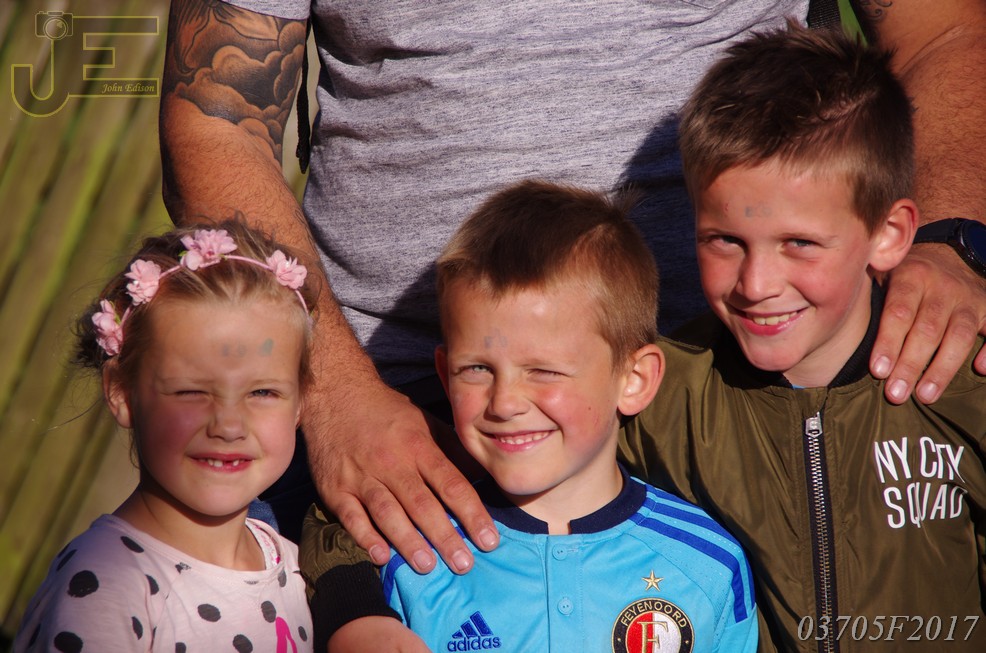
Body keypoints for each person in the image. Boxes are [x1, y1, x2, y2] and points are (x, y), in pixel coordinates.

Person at [160, 0, 986, 574]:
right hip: (403, 426)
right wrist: (332, 391)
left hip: (739, 395)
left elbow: (942, 29)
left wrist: (950, 239)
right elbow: (214, 120)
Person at [618, 23, 986, 651]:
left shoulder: (963, 387)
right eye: (724, 240)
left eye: (799, 243)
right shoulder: (657, 403)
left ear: (889, 235)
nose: (757, 284)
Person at [307, 179, 758, 653]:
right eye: (477, 369)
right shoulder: (407, 556)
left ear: (634, 379)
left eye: (543, 371)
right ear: (444, 373)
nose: (504, 403)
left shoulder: (709, 564)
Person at [15, 222, 315, 652]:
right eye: (191, 392)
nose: (229, 426)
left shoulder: (294, 565)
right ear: (121, 392)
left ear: (301, 402)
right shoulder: (106, 587)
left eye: (262, 393)